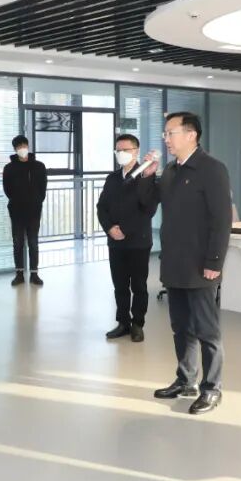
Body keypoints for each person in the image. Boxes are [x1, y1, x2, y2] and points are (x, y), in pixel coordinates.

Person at [141, 113, 229, 415]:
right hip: (174, 263)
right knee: (181, 327)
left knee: (207, 331)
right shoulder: (170, 170)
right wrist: (147, 176)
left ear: (191, 135)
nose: (166, 139)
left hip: (201, 265)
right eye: (165, 134)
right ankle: (186, 380)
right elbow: (148, 205)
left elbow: (221, 220)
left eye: (171, 133)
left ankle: (212, 389)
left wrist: (214, 261)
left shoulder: (212, 169)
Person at [96, 134, 158, 343]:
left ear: (136, 151)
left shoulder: (146, 175)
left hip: (138, 241)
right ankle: (123, 322)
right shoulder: (112, 178)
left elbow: (148, 210)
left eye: (126, 150)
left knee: (139, 286)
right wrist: (109, 228)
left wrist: (125, 230)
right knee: (120, 285)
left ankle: (137, 324)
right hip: (115, 242)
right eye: (118, 150)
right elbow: (101, 207)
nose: (121, 153)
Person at [3, 136, 47, 286]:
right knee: (18, 243)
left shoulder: (39, 166)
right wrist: (17, 200)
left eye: (24, 145)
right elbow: (7, 190)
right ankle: (19, 274)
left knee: (33, 242)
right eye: (19, 146)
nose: (22, 148)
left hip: (34, 211)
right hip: (16, 211)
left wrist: (36, 201)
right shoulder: (9, 168)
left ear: (28, 146)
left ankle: (34, 274)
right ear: (15, 149)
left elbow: (43, 189)